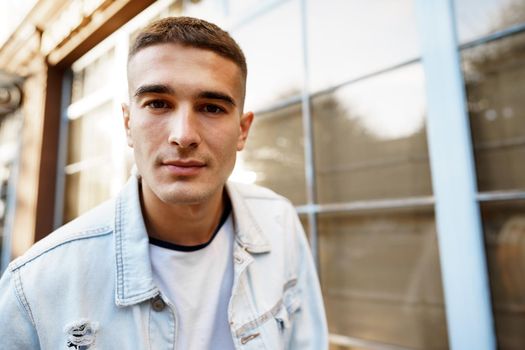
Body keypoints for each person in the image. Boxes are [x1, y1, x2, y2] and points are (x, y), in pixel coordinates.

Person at [0, 16, 327, 349]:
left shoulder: (279, 221)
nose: (183, 135)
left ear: (243, 130)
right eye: (158, 104)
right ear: (128, 124)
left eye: (211, 108)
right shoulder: (36, 284)